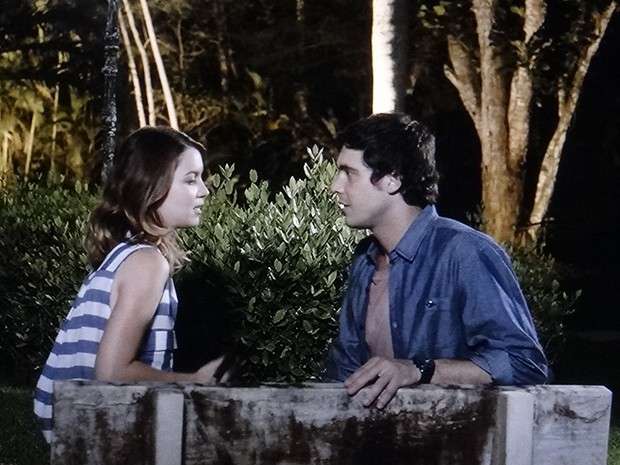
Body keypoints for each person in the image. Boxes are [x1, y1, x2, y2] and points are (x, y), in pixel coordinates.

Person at [325, 113, 548, 409]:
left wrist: (420, 370)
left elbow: (523, 363)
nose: (335, 186)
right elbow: (344, 372)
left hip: (459, 434)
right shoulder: (364, 261)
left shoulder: (466, 252)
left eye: (348, 173)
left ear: (392, 179)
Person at [34, 126, 225, 443]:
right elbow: (111, 373)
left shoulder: (127, 253)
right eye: (191, 179)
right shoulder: (146, 263)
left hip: (78, 422)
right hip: (92, 429)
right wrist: (194, 380)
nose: (204, 190)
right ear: (152, 187)